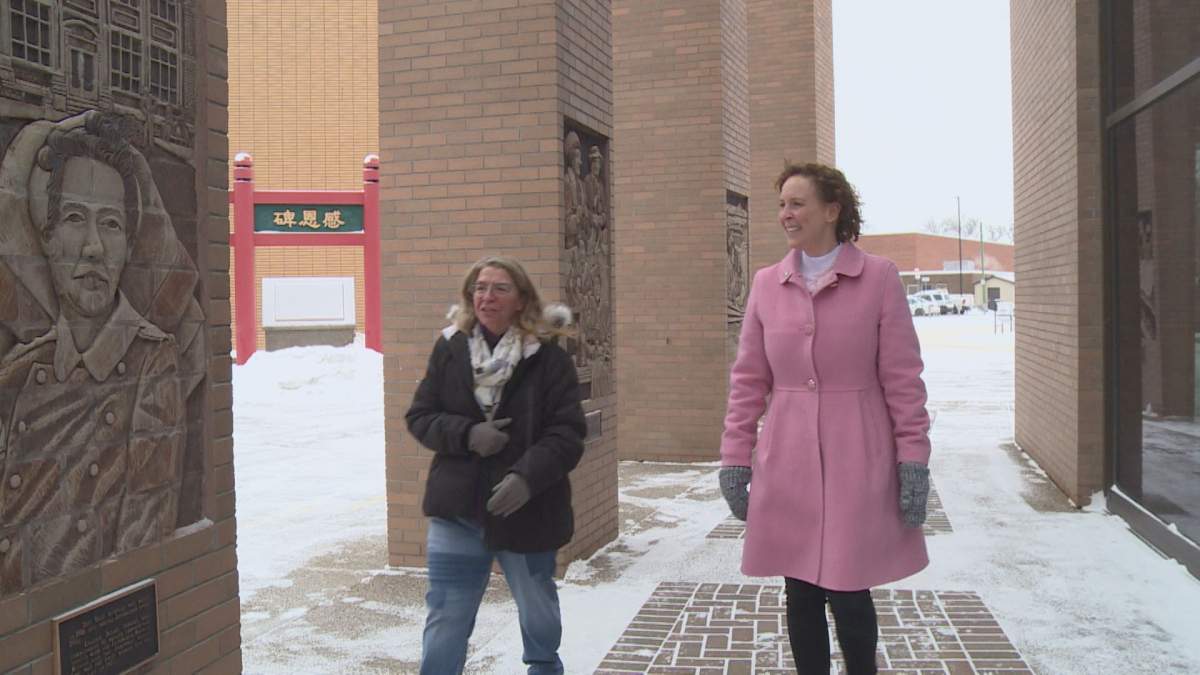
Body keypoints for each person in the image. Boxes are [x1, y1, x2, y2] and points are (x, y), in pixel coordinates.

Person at [718, 162, 932, 674]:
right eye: (782, 205)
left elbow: (903, 378)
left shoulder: (878, 277)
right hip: (787, 455)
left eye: (797, 203)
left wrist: (914, 458)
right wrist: (735, 456)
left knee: (849, 586)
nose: (785, 214)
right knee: (800, 588)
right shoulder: (768, 284)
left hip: (857, 452)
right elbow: (749, 379)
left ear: (832, 210)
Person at [0, 114, 185, 594]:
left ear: (128, 244)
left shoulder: (152, 365)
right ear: (47, 234)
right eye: (75, 219)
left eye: (112, 225)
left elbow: (143, 538)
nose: (93, 248)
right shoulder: (19, 373)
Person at [406, 256, 585, 675]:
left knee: (538, 614)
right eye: (480, 287)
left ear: (521, 299)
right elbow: (420, 417)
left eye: (499, 288)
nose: (487, 296)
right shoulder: (451, 349)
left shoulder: (549, 359)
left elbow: (567, 433)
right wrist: (468, 434)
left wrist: (527, 477)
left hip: (528, 510)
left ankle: (544, 668)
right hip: (458, 511)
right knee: (446, 615)